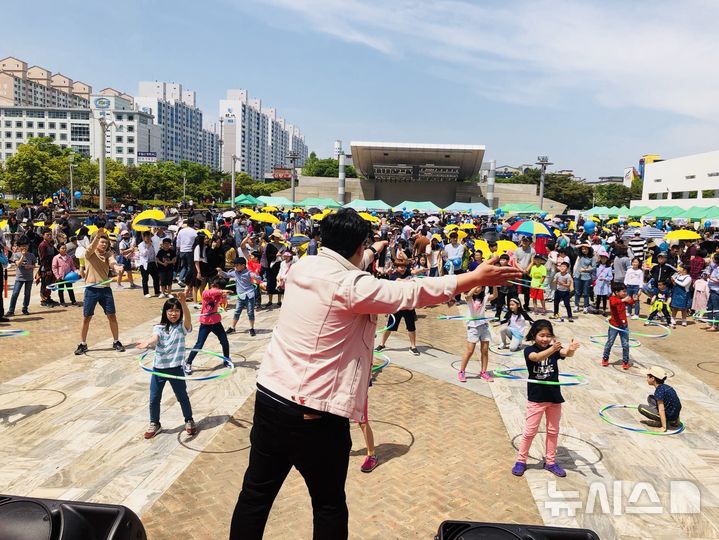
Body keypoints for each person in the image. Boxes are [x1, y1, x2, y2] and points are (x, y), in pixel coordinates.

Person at [229, 208, 521, 539]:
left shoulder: (304, 264)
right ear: (357, 246)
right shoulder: (351, 285)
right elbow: (410, 293)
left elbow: (350, 257)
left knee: (255, 495)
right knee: (328, 505)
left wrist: (375, 247)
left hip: (269, 398)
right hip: (313, 414)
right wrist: (474, 278)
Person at [511, 320, 580, 478]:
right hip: (537, 397)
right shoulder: (529, 350)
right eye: (541, 335)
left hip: (554, 397)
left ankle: (550, 462)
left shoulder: (554, 349)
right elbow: (536, 358)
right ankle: (521, 461)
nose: (545, 339)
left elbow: (565, 354)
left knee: (553, 431)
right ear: (534, 335)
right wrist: (553, 349)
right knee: (530, 431)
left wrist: (571, 349)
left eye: (548, 336)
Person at [136, 292, 197, 439]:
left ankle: (189, 420)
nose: (173, 313)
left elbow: (188, 320)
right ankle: (155, 423)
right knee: (154, 398)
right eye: (170, 311)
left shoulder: (182, 327)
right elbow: (154, 338)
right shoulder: (159, 327)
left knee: (182, 396)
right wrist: (148, 343)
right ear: (165, 312)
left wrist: (184, 304)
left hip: (175, 368)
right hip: (159, 369)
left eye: (176, 310)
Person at [75, 224, 126, 355]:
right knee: (87, 317)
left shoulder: (108, 253)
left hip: (105, 290)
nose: (104, 244)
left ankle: (116, 341)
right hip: (91, 290)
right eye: (101, 242)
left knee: (112, 316)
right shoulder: (89, 253)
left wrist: (117, 268)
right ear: (95, 241)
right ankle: (83, 343)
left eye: (105, 242)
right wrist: (97, 236)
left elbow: (112, 262)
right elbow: (91, 248)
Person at [183, 276, 230, 376]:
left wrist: (224, 297)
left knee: (224, 341)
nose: (218, 290)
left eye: (220, 289)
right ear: (213, 285)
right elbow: (211, 293)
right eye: (217, 288)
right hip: (206, 323)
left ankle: (226, 359)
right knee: (199, 345)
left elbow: (223, 304)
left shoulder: (219, 294)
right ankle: (188, 363)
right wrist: (221, 291)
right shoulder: (206, 293)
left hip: (216, 322)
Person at [457, 285, 497, 382]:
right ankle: (461, 371)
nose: (476, 288)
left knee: (485, 351)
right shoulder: (470, 298)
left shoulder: (484, 298)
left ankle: (483, 372)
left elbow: (495, 295)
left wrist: (495, 284)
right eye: (474, 286)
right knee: (470, 351)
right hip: (473, 327)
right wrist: (475, 286)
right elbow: (467, 296)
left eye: (479, 287)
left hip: (483, 326)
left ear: (483, 289)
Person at [219, 257, 260, 337]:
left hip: (249, 295)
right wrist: (220, 272)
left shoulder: (248, 273)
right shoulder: (235, 272)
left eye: (237, 265)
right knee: (237, 311)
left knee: (250, 312)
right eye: (235, 265)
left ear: (243, 265)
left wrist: (256, 277)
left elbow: (258, 278)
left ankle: (251, 328)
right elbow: (227, 275)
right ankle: (232, 327)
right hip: (241, 296)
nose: (235, 267)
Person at [601, 283, 636, 369]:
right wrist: (623, 300)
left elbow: (630, 302)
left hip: (624, 325)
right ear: (616, 292)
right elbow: (614, 304)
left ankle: (625, 361)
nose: (625, 293)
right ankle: (605, 358)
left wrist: (634, 300)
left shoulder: (623, 299)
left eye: (625, 291)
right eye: (623, 291)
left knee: (625, 344)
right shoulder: (612, 298)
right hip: (614, 325)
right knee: (610, 342)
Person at [638, 366, 682, 431]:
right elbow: (677, 404)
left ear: (652, 378)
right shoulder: (667, 387)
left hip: (669, 416)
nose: (646, 379)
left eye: (647, 377)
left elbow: (661, 410)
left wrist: (664, 427)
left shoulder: (659, 391)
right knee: (650, 398)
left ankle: (664, 421)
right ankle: (672, 420)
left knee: (640, 407)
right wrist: (677, 421)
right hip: (673, 415)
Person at [5, 238, 36, 316]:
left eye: (26, 245)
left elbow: (34, 265)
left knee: (27, 293)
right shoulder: (16, 255)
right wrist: (23, 255)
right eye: (22, 246)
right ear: (18, 247)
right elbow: (18, 264)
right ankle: (11, 310)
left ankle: (25, 308)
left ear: (28, 246)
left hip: (29, 277)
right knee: (15, 293)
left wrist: (30, 266)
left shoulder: (31, 255)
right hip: (19, 278)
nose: (24, 247)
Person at [38, 227, 59, 307]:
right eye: (48, 235)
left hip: (52, 266)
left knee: (50, 283)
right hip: (45, 268)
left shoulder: (50, 244)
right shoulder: (42, 245)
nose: (50, 236)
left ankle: (48, 298)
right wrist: (47, 269)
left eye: (51, 235)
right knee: (45, 284)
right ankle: (44, 300)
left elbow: (56, 253)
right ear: (43, 235)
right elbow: (42, 259)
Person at [514, 236, 535, 310]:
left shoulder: (532, 250)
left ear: (529, 242)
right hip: (518, 271)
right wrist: (521, 269)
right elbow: (515, 262)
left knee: (526, 290)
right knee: (517, 289)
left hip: (527, 272)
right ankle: (516, 304)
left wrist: (527, 269)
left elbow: (532, 261)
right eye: (523, 241)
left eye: (526, 241)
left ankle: (526, 305)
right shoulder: (517, 250)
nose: (524, 242)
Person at [138, 230, 161, 298]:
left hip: (153, 262)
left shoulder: (153, 243)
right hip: (145, 264)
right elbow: (144, 254)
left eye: (149, 237)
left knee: (156, 277)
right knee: (145, 279)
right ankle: (146, 293)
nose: (148, 238)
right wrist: (148, 246)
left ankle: (157, 291)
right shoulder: (141, 245)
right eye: (147, 237)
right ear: (144, 237)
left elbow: (156, 251)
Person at [573, 243, 595, 313]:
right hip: (578, 275)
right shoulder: (580, 255)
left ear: (589, 250)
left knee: (586, 293)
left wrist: (586, 270)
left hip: (587, 277)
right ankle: (576, 306)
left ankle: (586, 306)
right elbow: (574, 248)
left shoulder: (592, 257)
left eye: (585, 249)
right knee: (577, 292)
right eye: (583, 249)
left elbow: (594, 267)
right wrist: (583, 244)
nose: (584, 250)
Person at [176, 217, 197, 288]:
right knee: (190, 267)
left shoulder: (181, 231)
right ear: (193, 224)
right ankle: (185, 279)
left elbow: (178, 241)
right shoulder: (194, 232)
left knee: (184, 266)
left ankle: (180, 279)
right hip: (190, 251)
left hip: (182, 250)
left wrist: (178, 248)